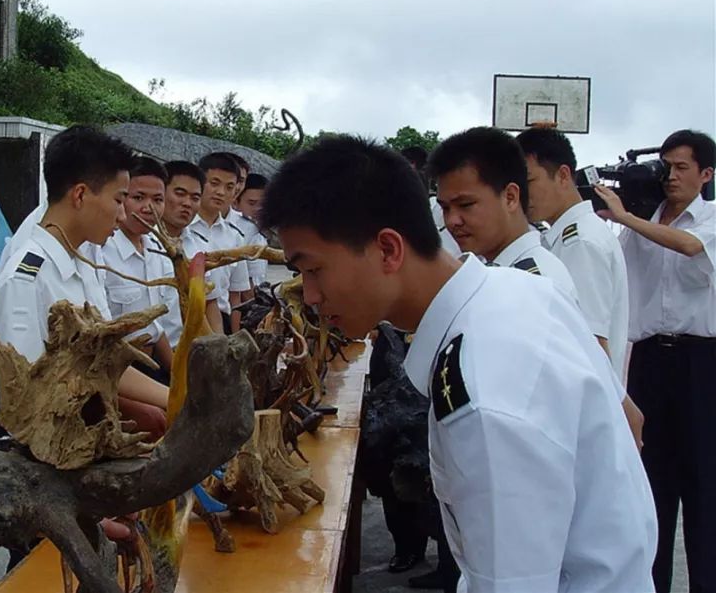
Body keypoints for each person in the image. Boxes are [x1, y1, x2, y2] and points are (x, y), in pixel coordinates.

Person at [260, 134, 657, 593]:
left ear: (388, 249)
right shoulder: (518, 291)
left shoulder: (481, 392)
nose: (308, 295)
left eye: (313, 270)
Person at [0, 126, 168, 438]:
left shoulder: (84, 260)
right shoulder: (27, 279)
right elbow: (30, 393)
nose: (124, 216)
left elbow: (104, 359)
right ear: (81, 194)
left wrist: (176, 398)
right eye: (119, 199)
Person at [596, 129, 716, 593]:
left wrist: (627, 217)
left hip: (701, 363)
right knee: (651, 487)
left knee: (703, 486)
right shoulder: (638, 223)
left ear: (706, 174)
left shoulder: (708, 218)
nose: (670, 176)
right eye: (665, 166)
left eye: (682, 167)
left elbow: (688, 247)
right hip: (649, 360)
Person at [516, 127, 643, 448]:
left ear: (562, 175)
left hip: (579, 414)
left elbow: (589, 340)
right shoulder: (563, 236)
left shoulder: (580, 242)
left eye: (530, 182)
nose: (524, 197)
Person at [428, 127, 579, 301]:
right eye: (445, 208)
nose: (452, 221)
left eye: (466, 205)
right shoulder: (496, 271)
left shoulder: (533, 285)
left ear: (510, 197)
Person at [100, 156, 179, 379]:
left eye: (157, 199)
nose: (148, 208)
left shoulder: (158, 251)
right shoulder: (102, 252)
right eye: (138, 197)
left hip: (153, 364)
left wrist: (178, 376)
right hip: (116, 372)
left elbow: (156, 327)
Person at [160, 160, 225, 336]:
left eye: (195, 198)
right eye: (180, 194)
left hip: (194, 351)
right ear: (162, 192)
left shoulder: (200, 247)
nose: (187, 203)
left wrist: (220, 345)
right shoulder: (143, 244)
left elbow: (210, 303)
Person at [188, 152, 252, 333]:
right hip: (182, 321)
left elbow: (236, 296)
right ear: (200, 183)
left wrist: (234, 338)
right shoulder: (179, 231)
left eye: (229, 187)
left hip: (220, 322)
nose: (221, 192)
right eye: (214, 183)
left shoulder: (235, 238)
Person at [230, 172, 270, 287]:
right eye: (251, 203)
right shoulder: (246, 229)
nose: (258, 209)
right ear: (235, 202)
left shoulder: (259, 228)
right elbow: (248, 280)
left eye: (263, 204)